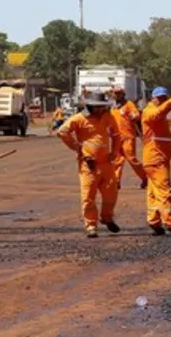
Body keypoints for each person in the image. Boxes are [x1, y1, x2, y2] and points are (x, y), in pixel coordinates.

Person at [56, 91, 123, 238]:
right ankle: (91, 225)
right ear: (89, 106)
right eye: (97, 107)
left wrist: (115, 152)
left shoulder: (108, 116)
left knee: (111, 194)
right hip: (89, 164)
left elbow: (117, 135)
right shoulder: (79, 118)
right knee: (88, 197)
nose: (100, 109)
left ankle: (107, 217)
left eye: (102, 106)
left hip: (106, 162)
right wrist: (77, 147)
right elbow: (62, 131)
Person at [141, 86, 171, 236]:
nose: (161, 101)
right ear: (152, 98)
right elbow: (158, 114)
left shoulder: (159, 115)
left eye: (164, 98)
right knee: (164, 191)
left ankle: (154, 221)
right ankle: (170, 224)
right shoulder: (149, 112)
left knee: (154, 192)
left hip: (157, 158)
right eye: (159, 98)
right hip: (156, 159)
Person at [109, 86, 146, 190]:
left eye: (119, 93)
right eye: (115, 93)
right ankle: (116, 182)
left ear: (122, 94)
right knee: (117, 160)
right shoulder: (113, 107)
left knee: (131, 159)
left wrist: (133, 116)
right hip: (116, 138)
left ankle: (145, 178)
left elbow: (137, 114)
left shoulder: (128, 104)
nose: (116, 95)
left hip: (128, 137)